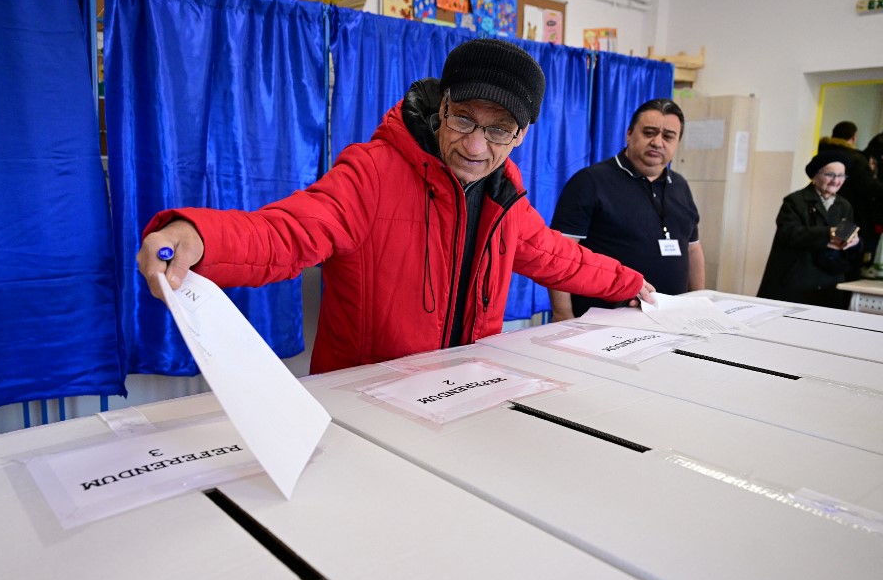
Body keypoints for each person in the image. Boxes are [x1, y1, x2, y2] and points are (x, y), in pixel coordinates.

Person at [137, 38, 655, 374]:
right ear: (441, 107)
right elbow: (287, 232)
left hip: (462, 392)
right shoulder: (374, 172)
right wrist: (199, 238)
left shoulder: (504, 198)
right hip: (365, 405)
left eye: (499, 129)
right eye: (464, 120)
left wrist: (631, 286)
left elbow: (561, 259)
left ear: (521, 135)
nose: (476, 147)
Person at [546, 99, 704, 321]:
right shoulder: (590, 182)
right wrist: (562, 313)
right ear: (629, 134)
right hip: (602, 320)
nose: (657, 142)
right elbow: (559, 253)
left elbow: (693, 249)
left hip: (671, 318)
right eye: (649, 132)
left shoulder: (680, 186)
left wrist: (697, 302)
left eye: (668, 136)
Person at [757, 151, 861, 308]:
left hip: (830, 280)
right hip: (797, 277)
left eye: (841, 176)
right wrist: (828, 234)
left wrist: (855, 243)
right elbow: (788, 234)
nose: (836, 181)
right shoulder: (795, 201)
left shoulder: (844, 205)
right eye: (831, 175)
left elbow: (847, 238)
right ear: (815, 175)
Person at [820, 121, 883, 268]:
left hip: (824, 210)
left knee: (828, 249)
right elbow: (869, 186)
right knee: (845, 253)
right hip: (851, 214)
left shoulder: (821, 152)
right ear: (853, 137)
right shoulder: (855, 159)